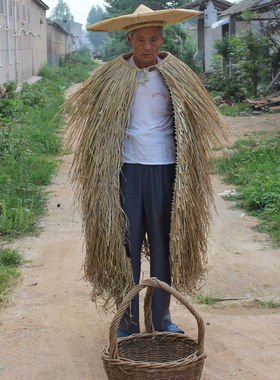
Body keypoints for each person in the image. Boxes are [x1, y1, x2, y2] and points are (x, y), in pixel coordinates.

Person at [65, 4, 225, 337]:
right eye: (141, 40)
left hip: (165, 169)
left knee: (165, 245)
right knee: (127, 247)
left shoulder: (176, 74)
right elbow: (97, 128)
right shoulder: (113, 75)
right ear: (130, 40)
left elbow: (193, 126)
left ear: (161, 39)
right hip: (126, 171)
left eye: (153, 39)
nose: (148, 46)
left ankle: (161, 318)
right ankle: (128, 322)